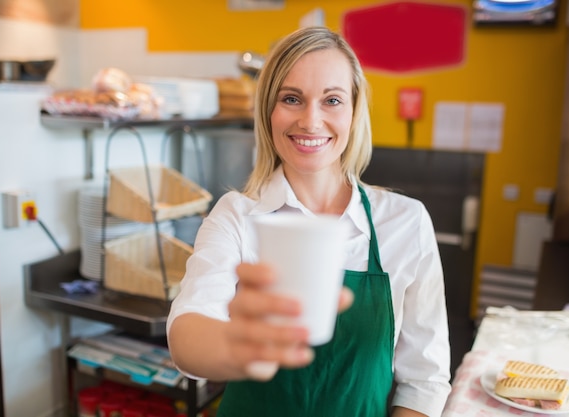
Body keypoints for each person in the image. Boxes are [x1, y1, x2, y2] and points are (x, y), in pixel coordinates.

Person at [166, 26, 452, 416]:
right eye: (291, 98)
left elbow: (424, 381)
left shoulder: (405, 221)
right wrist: (242, 348)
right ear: (268, 111)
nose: (311, 120)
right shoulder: (236, 215)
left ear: (354, 112)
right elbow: (188, 331)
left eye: (332, 100)